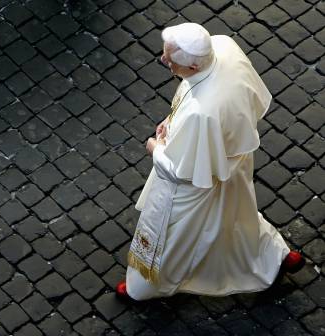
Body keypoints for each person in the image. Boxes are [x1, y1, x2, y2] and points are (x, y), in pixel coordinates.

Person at [116, 23, 305, 300]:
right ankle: (274, 257)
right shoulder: (222, 46)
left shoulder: (200, 115)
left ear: (192, 68)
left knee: (174, 237)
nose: (163, 60)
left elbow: (180, 173)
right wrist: (172, 120)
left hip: (199, 180)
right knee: (239, 215)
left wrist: (155, 148)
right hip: (235, 159)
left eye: (169, 59)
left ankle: (143, 288)